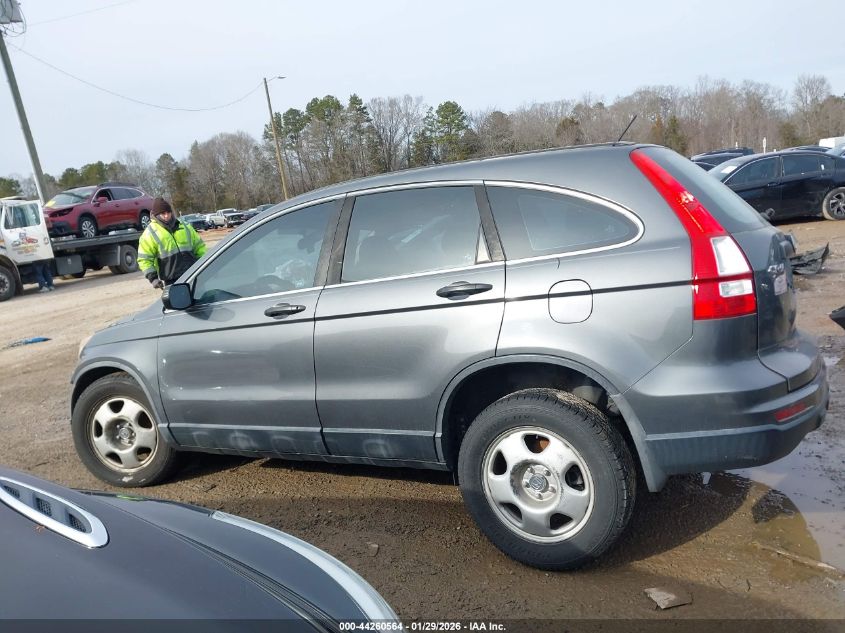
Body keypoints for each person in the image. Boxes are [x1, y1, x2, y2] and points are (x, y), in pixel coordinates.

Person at [138, 198, 207, 289]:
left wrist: (206, 265)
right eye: (163, 214)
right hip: (172, 280)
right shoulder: (150, 233)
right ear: (156, 215)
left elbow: (199, 247)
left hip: (194, 273)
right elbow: (144, 259)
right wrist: (153, 278)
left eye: (168, 212)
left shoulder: (185, 226)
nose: (166, 216)